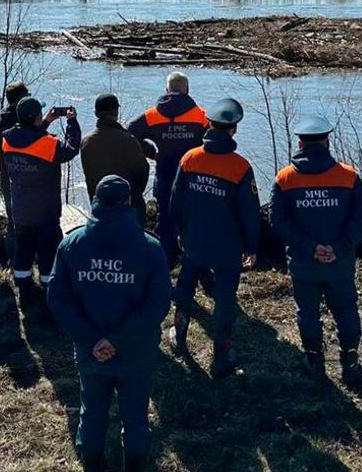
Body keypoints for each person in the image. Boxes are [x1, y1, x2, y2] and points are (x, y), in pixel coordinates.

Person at [47, 176, 171, 472]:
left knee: (92, 416)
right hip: (136, 353)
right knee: (135, 421)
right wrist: (117, 340)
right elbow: (158, 303)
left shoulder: (71, 245)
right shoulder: (150, 247)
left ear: (96, 201)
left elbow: (57, 298)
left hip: (91, 355)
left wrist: (92, 340)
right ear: (129, 202)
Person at [269, 115, 362, 387]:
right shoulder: (348, 176)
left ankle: (314, 361)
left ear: (300, 144)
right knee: (346, 309)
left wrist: (311, 248)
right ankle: (349, 363)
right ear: (327, 141)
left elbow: (277, 221)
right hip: (340, 261)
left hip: (304, 262)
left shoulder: (285, 178)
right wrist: (338, 247)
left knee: (308, 311)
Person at [167, 98, 260, 378]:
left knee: (185, 289)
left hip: (194, 240)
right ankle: (221, 355)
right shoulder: (240, 167)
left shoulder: (190, 158)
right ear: (233, 130)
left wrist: (182, 232)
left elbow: (174, 203)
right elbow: (250, 214)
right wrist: (251, 247)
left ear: (208, 125)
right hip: (227, 248)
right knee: (225, 298)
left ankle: (179, 336)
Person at [2, 96, 81, 309]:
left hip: (20, 209)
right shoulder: (48, 144)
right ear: (35, 118)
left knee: (24, 252)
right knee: (48, 255)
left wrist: (46, 122)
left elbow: (28, 142)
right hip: (45, 211)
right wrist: (71, 122)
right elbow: (71, 149)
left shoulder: (7, 141)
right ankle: (50, 294)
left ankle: (24, 292)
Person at [126, 71, 209, 264]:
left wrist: (151, 152)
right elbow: (214, 140)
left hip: (164, 172)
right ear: (187, 89)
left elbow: (130, 133)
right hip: (192, 175)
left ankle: (165, 259)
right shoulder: (201, 116)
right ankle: (194, 260)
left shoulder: (152, 115)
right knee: (192, 217)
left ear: (167, 90)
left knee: (165, 216)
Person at [81, 93, 151, 226]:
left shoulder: (86, 141)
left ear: (96, 113)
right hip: (129, 207)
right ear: (116, 112)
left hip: (99, 206)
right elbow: (143, 171)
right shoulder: (128, 140)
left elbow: (88, 174)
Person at [0, 81, 31, 233]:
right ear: (21, 98)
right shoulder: (25, 119)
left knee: (13, 218)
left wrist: (1, 163)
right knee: (31, 219)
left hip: (6, 175)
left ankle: (14, 251)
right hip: (28, 175)